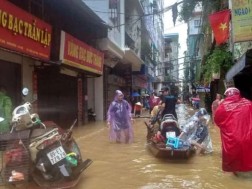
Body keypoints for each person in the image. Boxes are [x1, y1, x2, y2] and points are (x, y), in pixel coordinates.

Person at [214, 87, 252, 177]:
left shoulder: (222, 106)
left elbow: (217, 121)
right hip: (249, 137)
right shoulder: (248, 103)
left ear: (227, 95)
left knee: (234, 162)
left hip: (232, 139)